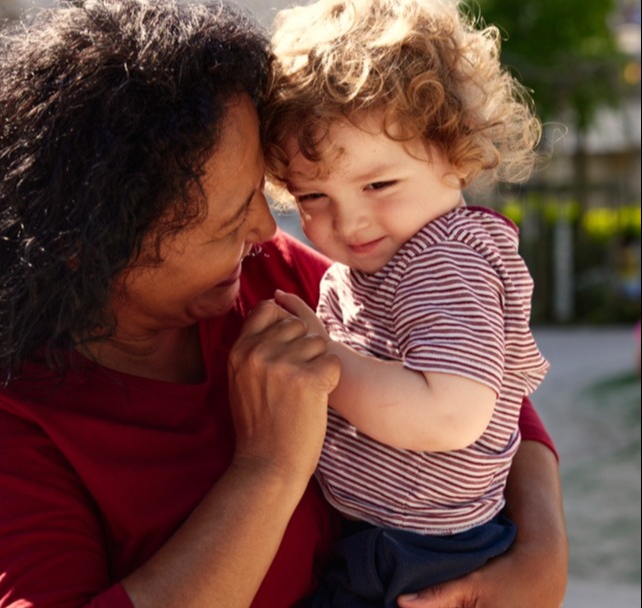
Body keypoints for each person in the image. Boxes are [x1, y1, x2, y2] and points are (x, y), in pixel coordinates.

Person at [0, 0, 566, 606]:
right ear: (88, 246)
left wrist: (540, 554)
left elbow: (477, 379)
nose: (267, 232)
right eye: (232, 218)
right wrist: (268, 466)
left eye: (264, 200)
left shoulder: (267, 278)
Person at [262, 0, 555, 605]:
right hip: (399, 533)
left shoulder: (443, 262)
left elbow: (450, 414)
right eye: (312, 196)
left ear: (456, 152)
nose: (349, 219)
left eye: (378, 184)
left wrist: (322, 361)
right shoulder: (396, 256)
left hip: (421, 553)